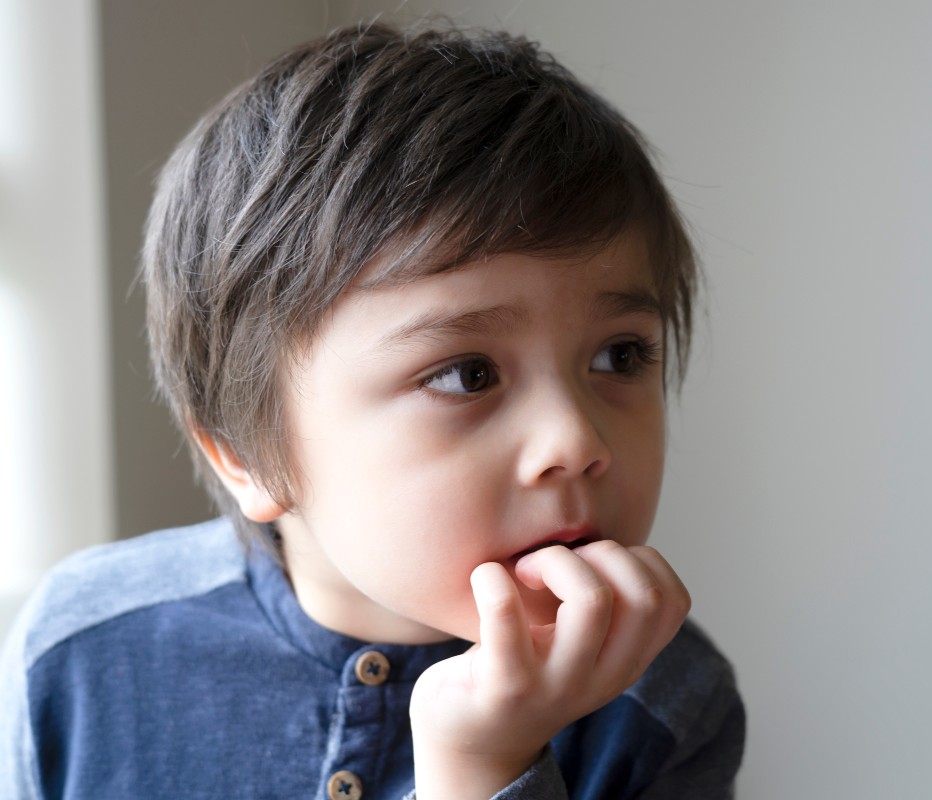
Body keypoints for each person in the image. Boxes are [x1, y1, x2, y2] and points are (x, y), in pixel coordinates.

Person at [0, 21, 744, 800]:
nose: (575, 439)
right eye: (466, 374)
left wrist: (484, 768)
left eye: (618, 357)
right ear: (241, 453)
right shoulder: (84, 650)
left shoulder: (664, 703)